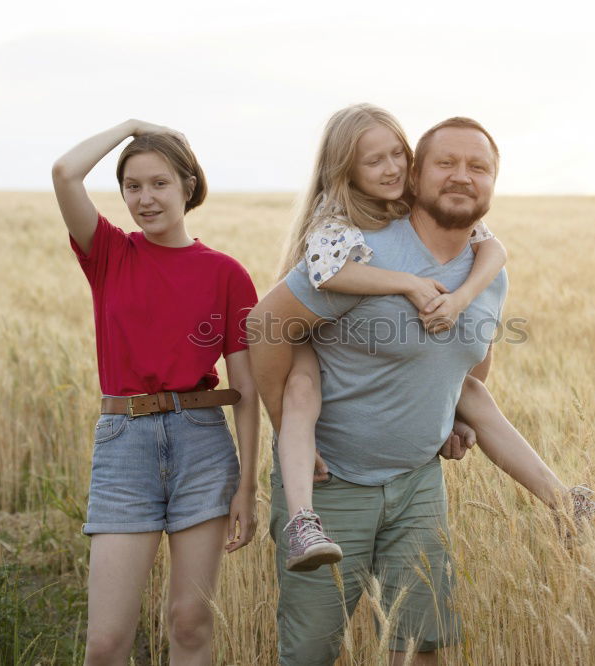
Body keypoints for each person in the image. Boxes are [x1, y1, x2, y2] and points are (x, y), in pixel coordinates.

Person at [52, 119, 260, 665]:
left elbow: (246, 386)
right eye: (133, 186)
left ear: (188, 187)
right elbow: (65, 172)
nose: (145, 199)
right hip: (124, 446)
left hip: (203, 448)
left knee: (190, 624)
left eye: (160, 183)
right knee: (105, 643)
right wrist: (130, 127)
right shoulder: (108, 254)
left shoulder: (227, 274)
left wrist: (248, 485)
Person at [270, 104, 509, 572]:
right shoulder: (336, 220)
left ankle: (566, 501)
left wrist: (460, 297)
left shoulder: (408, 208)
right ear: (346, 171)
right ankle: (302, 518)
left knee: (474, 393)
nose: (392, 168)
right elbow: (327, 275)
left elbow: (495, 249)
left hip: (409, 466)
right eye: (374, 161)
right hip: (310, 336)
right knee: (300, 394)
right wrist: (406, 282)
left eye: (398, 155)